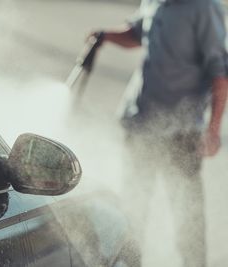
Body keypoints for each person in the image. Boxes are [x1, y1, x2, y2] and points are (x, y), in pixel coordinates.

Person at [89, 0, 228, 266]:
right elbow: (136, 33)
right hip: (139, 127)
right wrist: (105, 35)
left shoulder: (205, 8)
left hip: (181, 134)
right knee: (131, 212)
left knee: (187, 219)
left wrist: (213, 130)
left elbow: (220, 73)